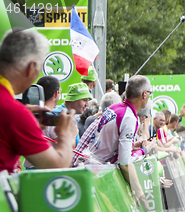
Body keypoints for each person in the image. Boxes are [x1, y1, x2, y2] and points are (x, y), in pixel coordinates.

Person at [0, 28, 76, 173]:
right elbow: (57, 166)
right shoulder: (14, 113)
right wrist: (67, 134)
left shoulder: (14, 113)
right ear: (31, 68)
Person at [73, 75, 153, 188]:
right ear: (144, 94)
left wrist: (133, 145)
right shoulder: (129, 117)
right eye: (150, 93)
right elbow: (124, 162)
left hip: (81, 165)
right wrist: (144, 150)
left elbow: (106, 142)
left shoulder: (114, 107)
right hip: (93, 174)